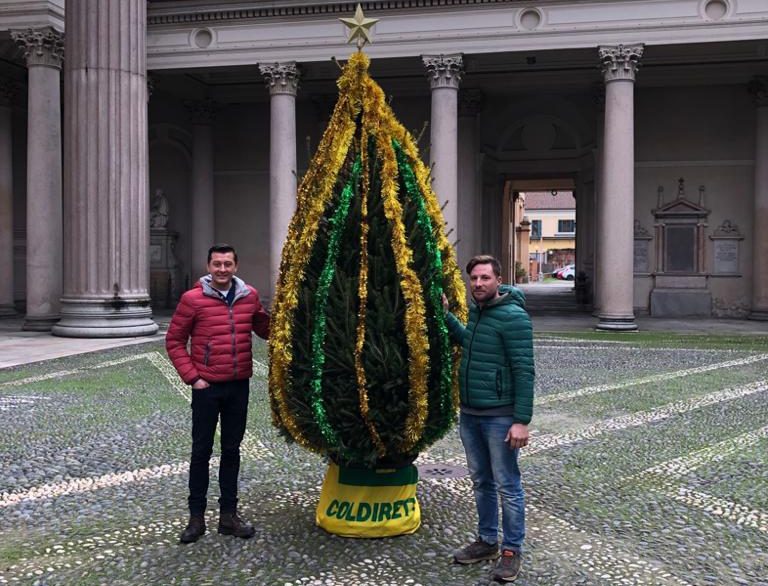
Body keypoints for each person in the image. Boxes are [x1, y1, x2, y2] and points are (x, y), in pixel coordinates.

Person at [166, 243, 270, 544]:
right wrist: (193, 378)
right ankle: (196, 518)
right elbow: (174, 341)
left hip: (239, 386)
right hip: (207, 388)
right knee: (200, 452)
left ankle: (228, 516)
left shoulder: (248, 296)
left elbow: (264, 329)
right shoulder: (192, 299)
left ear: (235, 266)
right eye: (216, 264)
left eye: (227, 264)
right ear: (208, 267)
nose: (222, 269)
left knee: (232, 451)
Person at [442, 255, 534, 583]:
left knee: (508, 484)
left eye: (485, 278)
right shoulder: (478, 314)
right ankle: (486, 541)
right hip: (471, 414)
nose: (478, 284)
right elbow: (469, 344)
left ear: (498, 279)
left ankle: (511, 550)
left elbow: (525, 370)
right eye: (474, 279)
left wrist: (521, 420)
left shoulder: (514, 317)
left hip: (500, 417)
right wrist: (446, 316)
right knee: (481, 481)